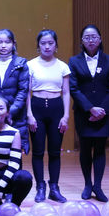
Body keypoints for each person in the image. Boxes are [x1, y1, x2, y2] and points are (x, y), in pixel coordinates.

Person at [68, 25, 109, 202]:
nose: (91, 40)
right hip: (84, 112)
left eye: (94, 37)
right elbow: (73, 88)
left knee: (100, 149)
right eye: (87, 37)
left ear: (100, 39)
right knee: (84, 149)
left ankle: (98, 186)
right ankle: (87, 185)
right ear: (82, 41)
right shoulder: (74, 61)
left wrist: (101, 110)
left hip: (104, 113)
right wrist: (90, 108)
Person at [27, 29, 71, 203]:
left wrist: (66, 116)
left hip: (56, 108)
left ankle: (54, 188)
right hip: (37, 107)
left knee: (54, 152)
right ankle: (40, 187)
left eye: (50, 43)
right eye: (43, 43)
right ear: (38, 46)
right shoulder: (30, 65)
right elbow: (27, 92)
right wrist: (29, 115)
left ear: (56, 45)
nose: (47, 46)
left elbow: (66, 92)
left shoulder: (63, 66)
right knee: (38, 151)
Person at [0, 29, 31, 155]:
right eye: (0, 42)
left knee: (15, 154)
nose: (3, 45)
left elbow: (23, 91)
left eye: (7, 42)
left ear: (13, 43)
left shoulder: (21, 63)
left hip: (15, 116)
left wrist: (9, 112)